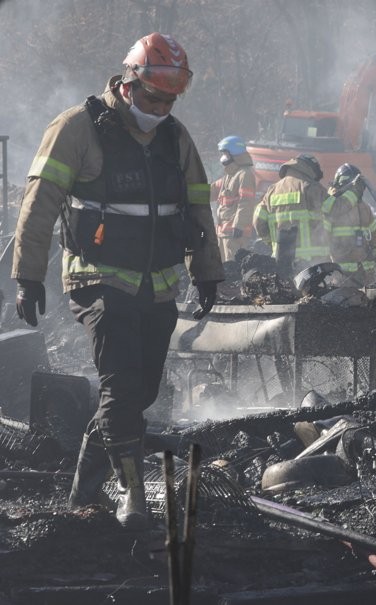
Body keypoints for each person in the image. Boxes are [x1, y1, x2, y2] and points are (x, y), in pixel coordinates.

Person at [11, 33, 223, 529]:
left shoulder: (176, 138)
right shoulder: (78, 128)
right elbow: (38, 204)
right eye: (155, 96)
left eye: (171, 98)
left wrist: (208, 271)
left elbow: (197, 206)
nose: (162, 106)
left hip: (160, 285)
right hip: (98, 281)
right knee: (121, 384)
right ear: (129, 82)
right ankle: (131, 493)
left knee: (138, 391)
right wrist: (27, 275)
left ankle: (83, 488)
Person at [252, 154, 329, 275]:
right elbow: (336, 213)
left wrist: (272, 242)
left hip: (281, 259)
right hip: (312, 263)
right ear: (311, 170)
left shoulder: (272, 190)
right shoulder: (313, 188)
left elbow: (258, 221)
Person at [322, 163, 376, 287]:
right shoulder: (331, 207)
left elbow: (374, 237)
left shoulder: (364, 208)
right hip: (342, 277)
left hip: (366, 275)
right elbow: (323, 241)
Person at [214, 136, 257, 263]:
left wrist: (239, 226)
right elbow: (211, 191)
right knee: (223, 270)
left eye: (225, 153)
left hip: (235, 234)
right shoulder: (229, 176)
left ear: (234, 153)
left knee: (233, 270)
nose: (222, 157)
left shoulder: (245, 174)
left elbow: (246, 202)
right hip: (223, 234)